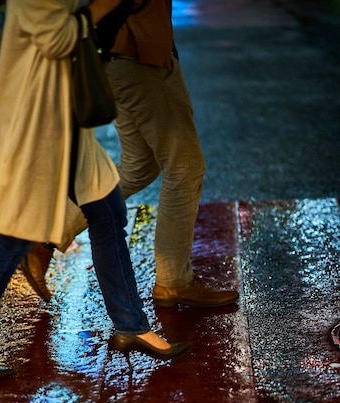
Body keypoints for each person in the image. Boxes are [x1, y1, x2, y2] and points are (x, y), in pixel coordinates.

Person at [0, 0, 191, 384]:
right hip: (39, 123)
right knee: (14, 236)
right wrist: (102, 7)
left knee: (108, 212)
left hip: (66, 119)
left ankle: (131, 325)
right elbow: (57, 38)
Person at [21, 0, 239, 308]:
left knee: (138, 165)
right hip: (139, 55)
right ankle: (173, 282)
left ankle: (44, 236)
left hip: (119, 56)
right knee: (185, 168)